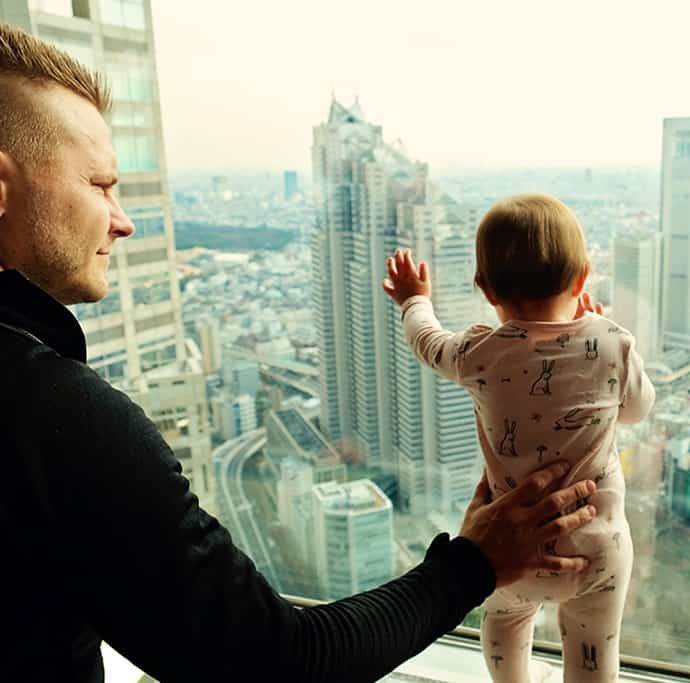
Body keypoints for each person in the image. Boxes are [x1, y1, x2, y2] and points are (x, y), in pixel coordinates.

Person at [0, 23, 599, 683]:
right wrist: (474, 562)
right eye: (100, 184)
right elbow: (279, 662)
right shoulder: (57, 420)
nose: (123, 219)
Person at [382, 194, 657, 682]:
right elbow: (637, 410)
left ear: (486, 290)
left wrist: (414, 299)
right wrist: (597, 337)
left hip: (514, 553)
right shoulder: (613, 342)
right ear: (581, 279)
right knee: (595, 648)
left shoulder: (480, 353)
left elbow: (426, 341)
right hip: (599, 549)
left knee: (504, 622)